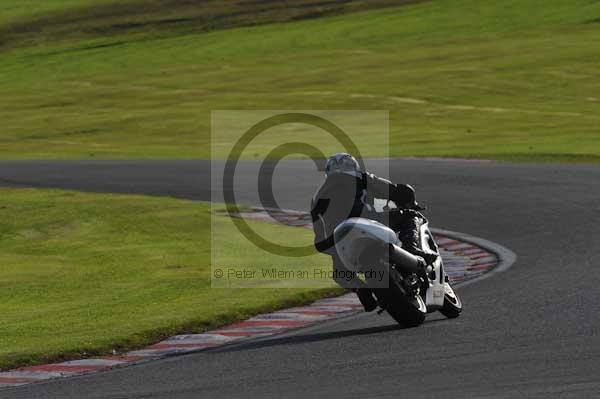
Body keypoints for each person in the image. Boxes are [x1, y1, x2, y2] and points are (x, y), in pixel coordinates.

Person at [310, 153, 437, 312]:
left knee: (340, 273)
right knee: (411, 216)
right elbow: (395, 190)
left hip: (340, 238)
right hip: (370, 222)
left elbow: (319, 239)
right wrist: (409, 202)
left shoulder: (316, 197)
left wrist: (332, 247)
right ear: (354, 167)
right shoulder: (361, 178)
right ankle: (412, 248)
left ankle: (362, 290)